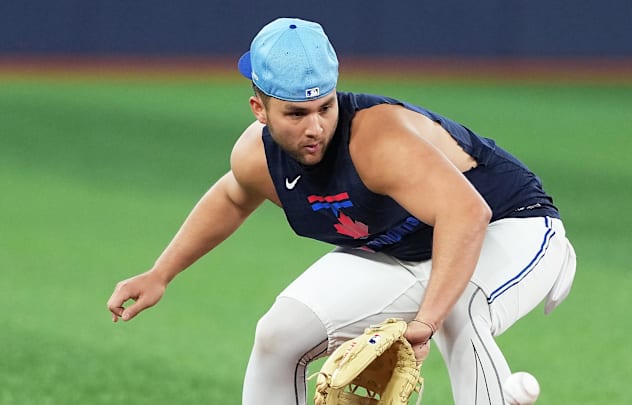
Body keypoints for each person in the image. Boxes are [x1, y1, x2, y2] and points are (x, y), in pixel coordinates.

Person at [107, 17, 577, 405]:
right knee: (280, 334)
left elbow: (467, 215)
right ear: (260, 109)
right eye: (296, 114)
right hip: (407, 246)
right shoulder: (256, 157)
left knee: (457, 310)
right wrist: (160, 273)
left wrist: (422, 326)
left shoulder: (378, 140)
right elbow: (233, 196)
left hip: (510, 225)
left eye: (325, 107)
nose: (315, 127)